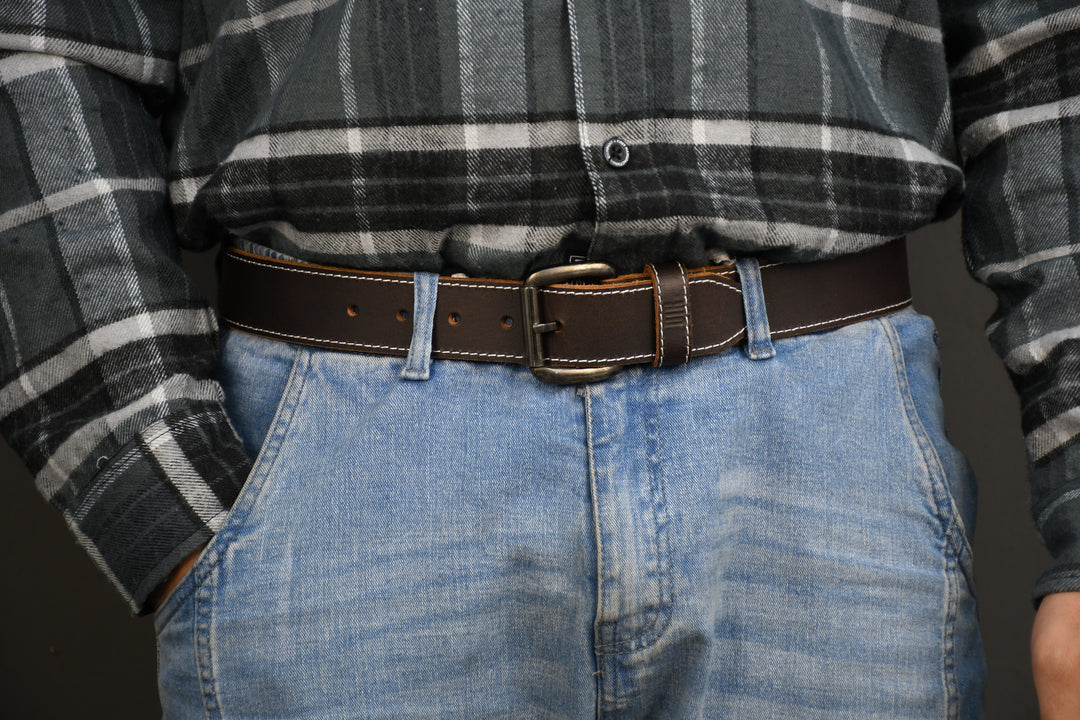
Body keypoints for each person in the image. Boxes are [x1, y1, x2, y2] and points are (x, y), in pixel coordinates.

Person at [1, 1, 1078, 717]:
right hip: (341, 490)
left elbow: (1049, 63)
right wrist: (159, 484)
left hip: (829, 477)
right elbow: (44, 37)